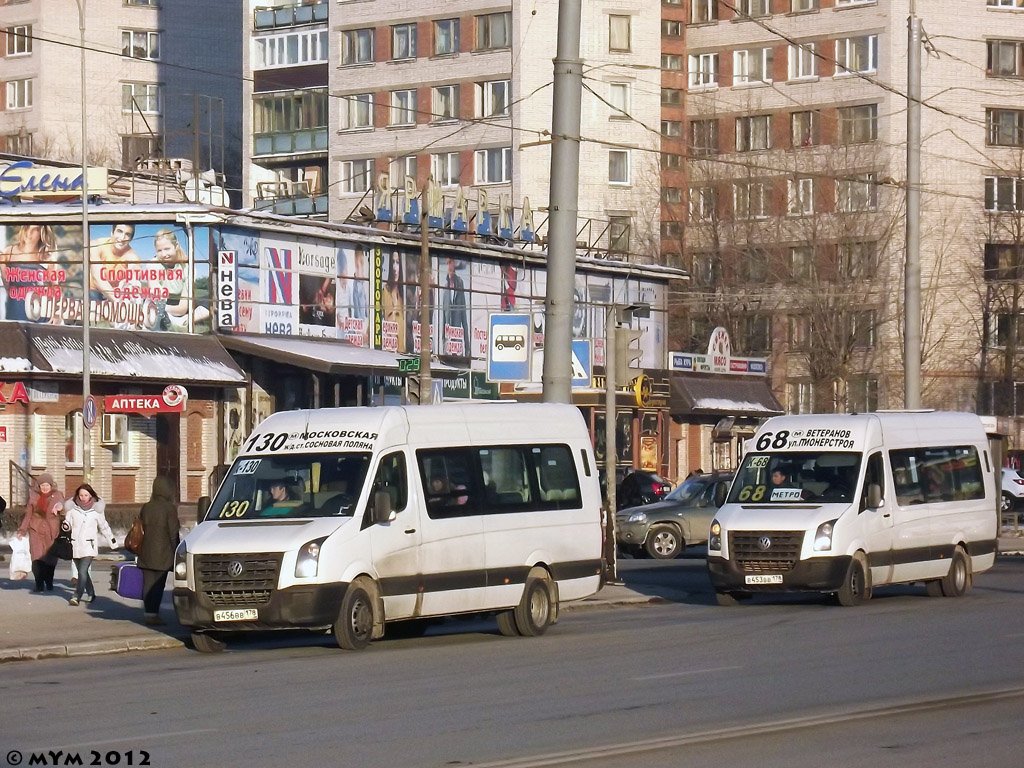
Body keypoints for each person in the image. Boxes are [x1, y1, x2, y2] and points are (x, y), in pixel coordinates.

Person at [62, 484, 116, 606]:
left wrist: (112, 541)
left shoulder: (96, 510)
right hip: (75, 545)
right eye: (81, 495)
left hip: (89, 545)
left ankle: (76, 596)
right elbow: (67, 524)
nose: (83, 498)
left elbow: (104, 526)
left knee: (81, 571)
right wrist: (65, 526)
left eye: (86, 495)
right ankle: (91, 593)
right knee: (84, 573)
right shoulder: (72, 509)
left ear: (91, 495)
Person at [137, 476, 180, 626]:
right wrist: (177, 551)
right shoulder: (169, 508)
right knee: (158, 585)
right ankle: (153, 615)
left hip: (146, 551)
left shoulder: (147, 506)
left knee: (148, 584)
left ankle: (149, 613)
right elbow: (173, 532)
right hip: (163, 552)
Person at [149, 228, 210, 330]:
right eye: (159, 250)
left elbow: (182, 308)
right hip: (162, 303)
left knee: (212, 299)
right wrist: (159, 306)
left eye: (167, 249)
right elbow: (156, 297)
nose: (164, 254)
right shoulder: (154, 265)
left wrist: (163, 308)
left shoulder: (188, 267)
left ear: (176, 246)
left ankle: (184, 321)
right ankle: (170, 318)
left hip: (178, 306)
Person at [16, 473, 65, 593]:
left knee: (50, 558)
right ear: (38, 486)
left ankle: (49, 581)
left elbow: (62, 506)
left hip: (51, 530)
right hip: (35, 529)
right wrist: (22, 530)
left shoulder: (57, 495)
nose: (44, 487)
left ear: (51, 485)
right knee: (36, 557)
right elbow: (28, 514)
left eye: (47, 485)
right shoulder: (33, 496)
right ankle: (39, 584)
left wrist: (59, 507)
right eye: (42, 485)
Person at [0, 224, 58, 321]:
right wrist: (2, 266)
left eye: (35, 229)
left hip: (38, 310)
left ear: (42, 234)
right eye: (27, 228)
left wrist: (56, 313)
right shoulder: (9, 252)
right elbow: (7, 286)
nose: (29, 233)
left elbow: (55, 288)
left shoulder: (47, 257)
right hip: (15, 309)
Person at [89, 223, 140, 302]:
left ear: (131, 239)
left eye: (127, 234)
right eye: (119, 231)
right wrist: (118, 303)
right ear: (112, 232)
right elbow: (97, 279)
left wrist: (132, 282)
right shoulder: (96, 245)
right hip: (93, 291)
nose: (122, 238)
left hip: (115, 294)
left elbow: (134, 270)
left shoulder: (132, 256)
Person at [442, 256, 468, 356]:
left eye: (450, 263)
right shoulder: (445, 288)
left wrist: (467, 348)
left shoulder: (460, 284)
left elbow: (464, 318)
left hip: (457, 338)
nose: (449, 266)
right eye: (447, 263)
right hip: (449, 339)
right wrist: (443, 345)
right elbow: (443, 318)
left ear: (454, 263)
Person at [381, 251, 405, 351]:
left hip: (400, 351)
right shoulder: (385, 291)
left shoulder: (402, 297)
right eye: (393, 262)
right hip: (387, 349)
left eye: (398, 263)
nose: (395, 267)